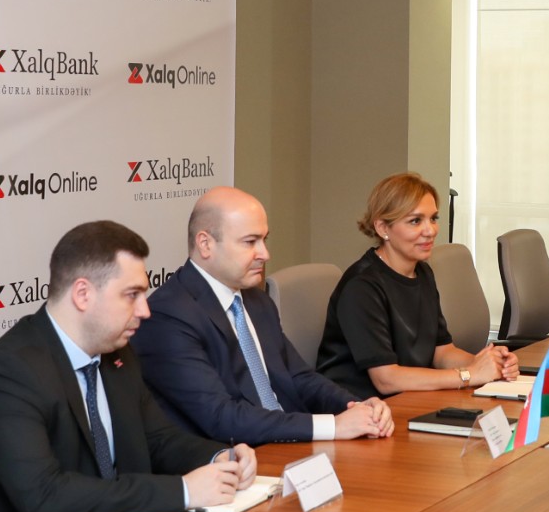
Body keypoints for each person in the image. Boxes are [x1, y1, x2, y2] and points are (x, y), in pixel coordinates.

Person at [0, 220, 256, 512]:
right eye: (131, 295)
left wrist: (220, 458)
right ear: (83, 294)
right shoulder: (8, 373)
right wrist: (184, 491)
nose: (145, 310)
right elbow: (45, 495)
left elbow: (158, 439)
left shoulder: (116, 354)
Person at [135, 187, 395, 444]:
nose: (264, 254)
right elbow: (221, 417)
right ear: (206, 244)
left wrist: (357, 407)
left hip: (288, 442)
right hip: (234, 457)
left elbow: (298, 377)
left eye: (264, 240)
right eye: (250, 242)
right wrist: (333, 426)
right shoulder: (167, 317)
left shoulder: (256, 300)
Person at [316, 172, 520, 398]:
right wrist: (470, 374)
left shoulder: (422, 272)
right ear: (383, 228)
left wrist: (488, 364)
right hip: (359, 406)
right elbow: (387, 379)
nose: (430, 230)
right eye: (415, 221)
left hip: (406, 397)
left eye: (433, 219)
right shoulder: (362, 286)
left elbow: (441, 352)